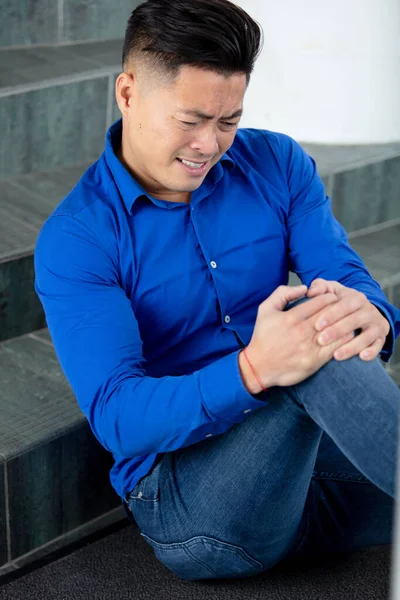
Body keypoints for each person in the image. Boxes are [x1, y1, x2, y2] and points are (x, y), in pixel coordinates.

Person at [34, 0, 400, 582]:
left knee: (327, 315)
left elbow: (343, 273)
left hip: (306, 478)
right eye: (191, 119)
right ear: (127, 93)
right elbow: (119, 418)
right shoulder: (79, 239)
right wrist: (252, 369)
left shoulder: (276, 162)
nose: (210, 143)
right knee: (311, 339)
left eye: (228, 121)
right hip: (197, 511)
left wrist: (374, 313)